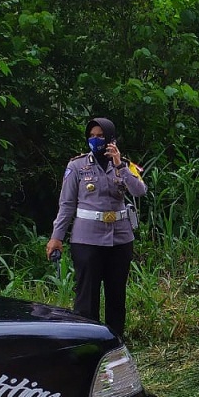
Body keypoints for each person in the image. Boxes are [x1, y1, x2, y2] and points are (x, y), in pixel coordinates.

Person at [46, 118, 146, 339]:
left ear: (111, 138)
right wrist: (57, 237)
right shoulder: (77, 166)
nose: (96, 139)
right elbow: (66, 205)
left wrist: (120, 165)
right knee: (87, 295)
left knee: (116, 293)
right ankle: (86, 340)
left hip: (120, 239)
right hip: (87, 239)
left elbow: (140, 191)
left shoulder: (125, 164)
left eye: (101, 136)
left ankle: (114, 339)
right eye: (92, 135)